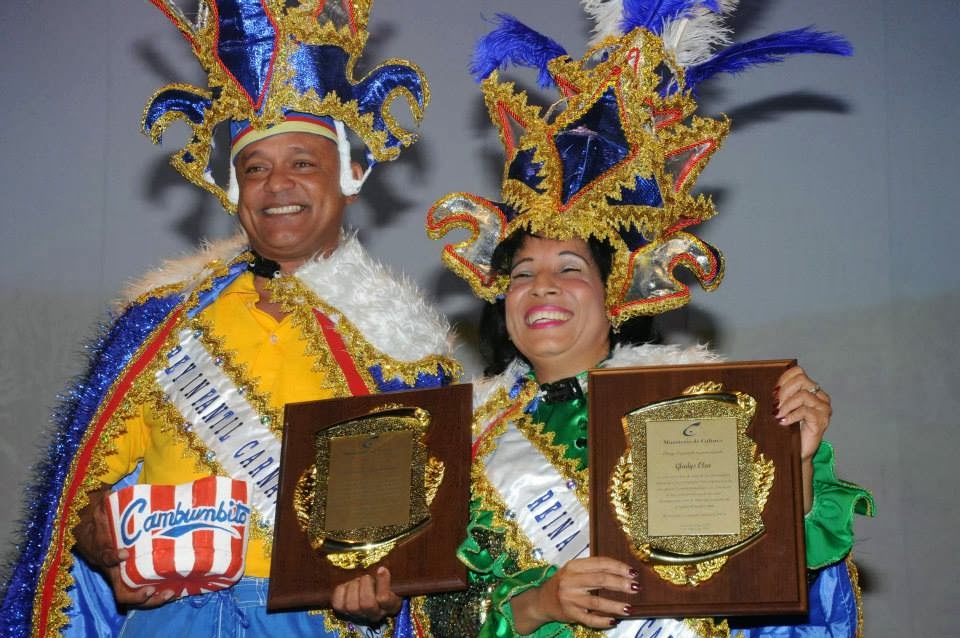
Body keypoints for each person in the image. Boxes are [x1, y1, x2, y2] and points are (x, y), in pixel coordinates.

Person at [0, 2, 458, 637]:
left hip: (310, 622)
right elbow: (81, 490)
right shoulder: (160, 321)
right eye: (256, 168)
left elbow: (416, 552)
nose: (277, 185)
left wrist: (385, 597)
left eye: (302, 163)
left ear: (351, 174)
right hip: (168, 618)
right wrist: (99, 539)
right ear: (234, 189)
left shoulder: (402, 347)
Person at [423, 5, 873, 637]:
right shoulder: (464, 438)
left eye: (570, 268)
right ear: (502, 295)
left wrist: (790, 461)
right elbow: (431, 617)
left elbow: (776, 582)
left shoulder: (700, 409)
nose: (542, 286)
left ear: (619, 292)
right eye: (522, 272)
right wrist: (539, 604)